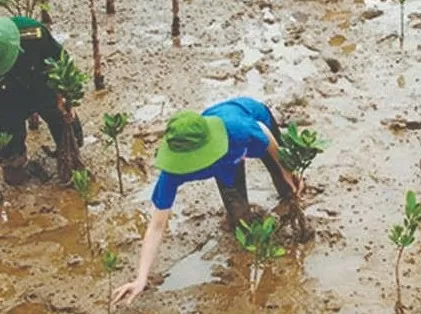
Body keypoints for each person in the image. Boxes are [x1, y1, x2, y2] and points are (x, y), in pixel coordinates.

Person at [112, 97, 302, 306]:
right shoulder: (173, 173)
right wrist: (141, 279)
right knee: (240, 220)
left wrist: (286, 171)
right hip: (227, 159)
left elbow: (264, 133)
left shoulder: (238, 130)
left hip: (250, 121)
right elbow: (157, 226)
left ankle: (291, 202)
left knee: (289, 187)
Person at [0, 16, 83, 184]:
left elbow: (62, 61)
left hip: (41, 81)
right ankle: (16, 165)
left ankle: (68, 157)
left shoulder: (32, 32)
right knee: (7, 131)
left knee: (63, 120)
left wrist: (64, 95)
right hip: (7, 92)